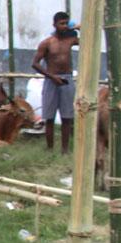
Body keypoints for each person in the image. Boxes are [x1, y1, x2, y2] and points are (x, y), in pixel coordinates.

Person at [32, 11, 80, 153]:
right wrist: (52, 77)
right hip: (51, 80)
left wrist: (78, 28)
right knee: (49, 117)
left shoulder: (71, 40)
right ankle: (50, 148)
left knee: (67, 117)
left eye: (66, 23)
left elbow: (89, 42)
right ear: (54, 24)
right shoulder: (47, 43)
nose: (64, 26)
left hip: (67, 79)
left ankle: (65, 149)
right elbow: (35, 63)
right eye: (61, 23)